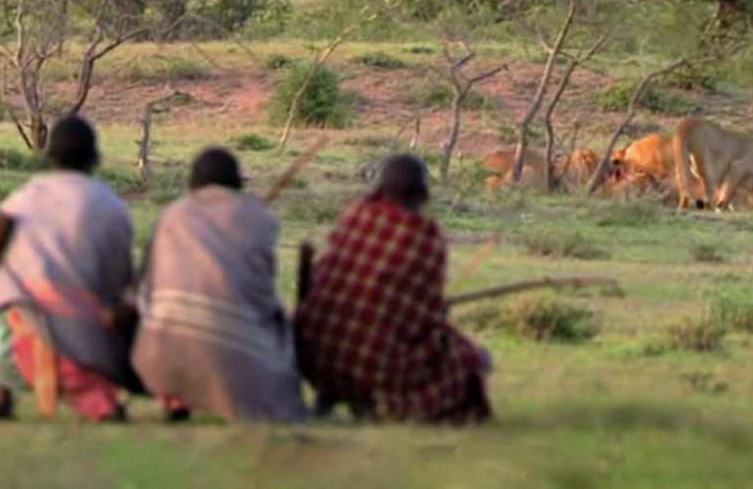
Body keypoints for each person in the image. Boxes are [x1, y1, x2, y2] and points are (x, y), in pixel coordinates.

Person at [294, 154, 492, 424]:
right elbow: (426, 320)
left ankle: (334, 397)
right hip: (375, 371)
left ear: (378, 187)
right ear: (422, 191)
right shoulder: (425, 236)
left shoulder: (356, 214)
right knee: (468, 357)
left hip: (316, 357)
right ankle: (384, 405)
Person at [0, 115, 144, 421]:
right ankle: (95, 394)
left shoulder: (21, 199)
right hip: (84, 353)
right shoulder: (112, 209)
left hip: (10, 356)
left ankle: (0, 389)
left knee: (6, 319)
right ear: (96, 158)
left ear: (49, 156)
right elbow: (118, 290)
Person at [130, 147, 308, 423]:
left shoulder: (172, 215)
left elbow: (144, 286)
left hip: (161, 358)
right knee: (280, 328)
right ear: (238, 184)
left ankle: (174, 397)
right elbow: (262, 290)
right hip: (237, 355)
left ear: (192, 184)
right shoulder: (260, 220)